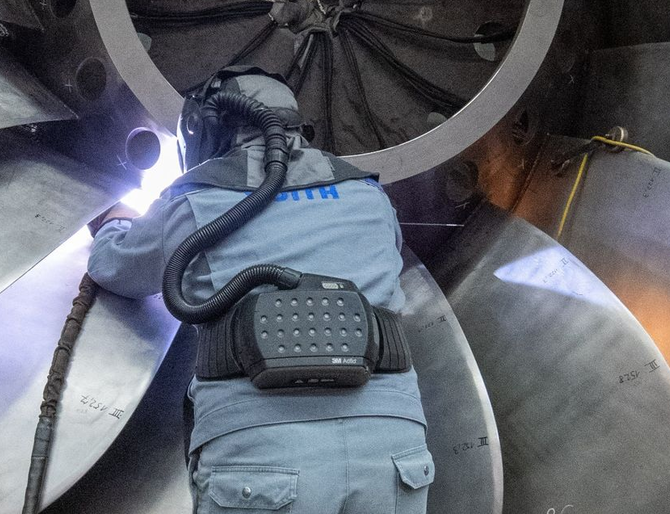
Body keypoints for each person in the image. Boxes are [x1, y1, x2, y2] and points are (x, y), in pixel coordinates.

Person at [87, 67, 434, 513]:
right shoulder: (369, 194)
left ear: (205, 133)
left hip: (261, 454)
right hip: (393, 449)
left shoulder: (194, 200)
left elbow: (113, 268)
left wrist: (116, 219)